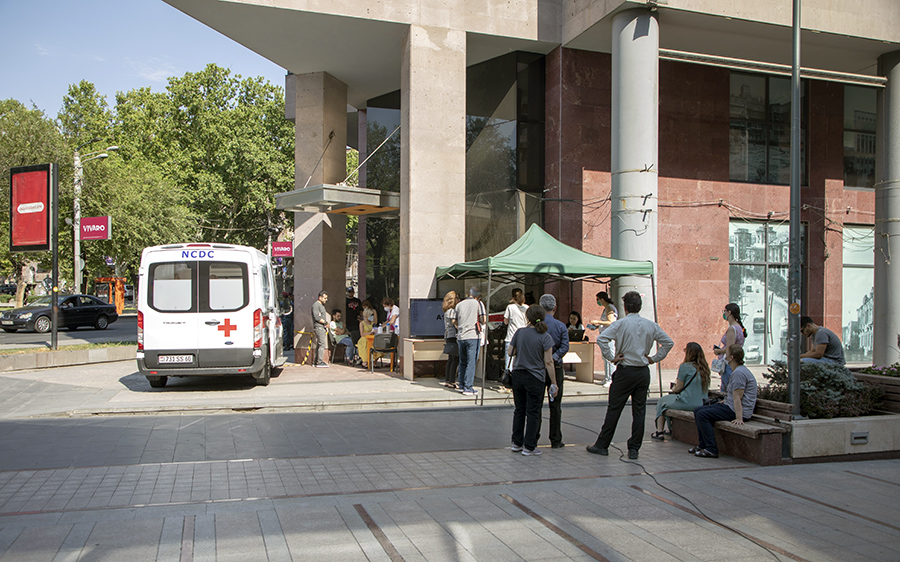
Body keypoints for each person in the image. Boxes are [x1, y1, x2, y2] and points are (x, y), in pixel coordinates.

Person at [588, 290, 674, 459]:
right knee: (639, 411)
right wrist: (653, 359)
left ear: (625, 307)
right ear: (639, 306)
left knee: (614, 409)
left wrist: (611, 357)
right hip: (642, 371)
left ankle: (602, 445)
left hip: (625, 370)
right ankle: (634, 448)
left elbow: (601, 339)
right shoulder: (650, 325)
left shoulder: (620, 324)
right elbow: (668, 343)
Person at [507, 304, 559, 456]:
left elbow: (510, 352)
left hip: (518, 375)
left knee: (519, 410)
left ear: (527, 317)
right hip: (535, 377)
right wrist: (554, 382)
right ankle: (529, 446)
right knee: (533, 412)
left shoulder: (520, 332)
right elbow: (548, 362)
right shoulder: (545, 337)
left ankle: (516, 443)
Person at [692, 344, 758, 458]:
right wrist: (725, 401)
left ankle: (711, 449)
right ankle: (702, 445)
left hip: (737, 411)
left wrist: (739, 418)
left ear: (732, 357)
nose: (724, 357)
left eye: (726, 355)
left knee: (702, 415)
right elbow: (733, 396)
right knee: (698, 410)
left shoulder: (739, 373)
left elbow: (738, 397)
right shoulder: (737, 371)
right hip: (730, 406)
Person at [651, 342, 710, 440]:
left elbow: (678, 387)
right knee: (667, 402)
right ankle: (669, 429)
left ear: (689, 353)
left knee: (662, 401)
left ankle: (659, 432)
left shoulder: (685, 367)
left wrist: (673, 388)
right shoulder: (705, 368)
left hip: (686, 402)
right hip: (701, 403)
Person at [536, 294, 569, 448]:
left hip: (538, 368)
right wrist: (554, 357)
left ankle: (533, 437)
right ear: (555, 307)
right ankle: (555, 439)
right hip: (556, 367)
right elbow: (565, 346)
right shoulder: (561, 326)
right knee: (555, 405)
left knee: (536, 405)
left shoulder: (536, 326)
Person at [455, 287, 486, 396]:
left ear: (469, 293)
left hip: (461, 336)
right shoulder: (479, 304)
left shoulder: (459, 304)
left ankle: (461, 385)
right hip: (473, 336)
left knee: (462, 361)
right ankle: (468, 387)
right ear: (479, 295)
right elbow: (483, 320)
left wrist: (461, 327)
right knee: (471, 362)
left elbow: (454, 320)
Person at [713, 303, 746, 392]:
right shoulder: (739, 328)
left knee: (727, 389)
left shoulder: (732, 328)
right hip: (734, 362)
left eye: (725, 311)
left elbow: (729, 348)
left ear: (729, 312)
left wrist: (719, 351)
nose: (724, 314)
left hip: (729, 363)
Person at [590, 291, 618, 386]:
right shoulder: (606, 308)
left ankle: (611, 379)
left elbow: (611, 322)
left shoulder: (610, 308)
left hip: (609, 337)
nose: (597, 301)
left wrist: (598, 322)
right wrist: (598, 326)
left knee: (610, 357)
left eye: (598, 299)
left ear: (602, 299)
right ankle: (607, 378)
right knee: (606, 357)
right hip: (605, 335)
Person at [503, 288, 528, 372]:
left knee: (509, 361)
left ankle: (509, 377)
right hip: (523, 337)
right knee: (522, 360)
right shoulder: (527, 307)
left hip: (511, 336)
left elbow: (506, 321)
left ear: (513, 297)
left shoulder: (510, 307)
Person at [441, 291, 461, 388]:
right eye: (458, 298)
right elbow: (454, 322)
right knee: (454, 359)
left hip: (449, 336)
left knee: (450, 359)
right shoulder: (452, 311)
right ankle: (452, 380)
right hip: (453, 336)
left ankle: (447, 379)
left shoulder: (446, 311)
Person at [311, 291, 330, 368]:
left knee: (319, 344)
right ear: (320, 297)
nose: (326, 299)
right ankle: (319, 361)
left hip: (322, 327)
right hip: (319, 327)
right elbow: (317, 317)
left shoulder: (322, 305)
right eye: (325, 298)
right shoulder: (316, 305)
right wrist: (325, 322)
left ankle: (316, 361)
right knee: (322, 344)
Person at [357, 303, 376, 368]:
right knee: (366, 343)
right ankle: (365, 361)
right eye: (371, 315)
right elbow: (362, 334)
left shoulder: (372, 323)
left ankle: (375, 361)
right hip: (364, 338)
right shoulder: (362, 323)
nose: (372, 317)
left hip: (372, 338)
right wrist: (370, 333)